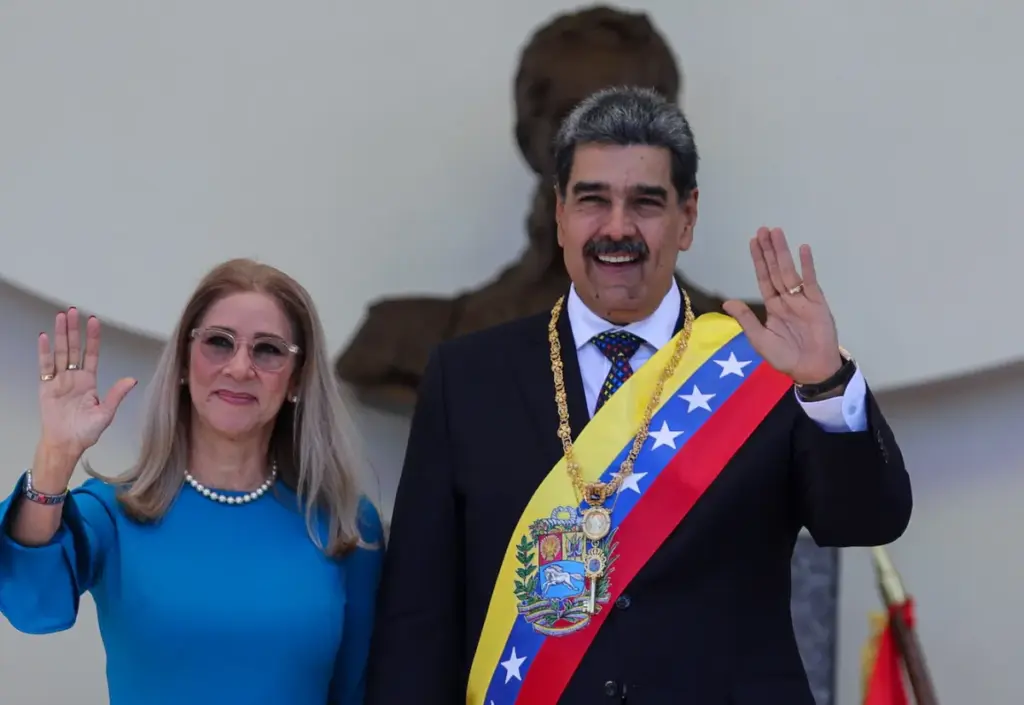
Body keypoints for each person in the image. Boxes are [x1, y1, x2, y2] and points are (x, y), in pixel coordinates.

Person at [365, 86, 912, 705]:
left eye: (646, 203)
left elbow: (866, 520)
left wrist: (825, 385)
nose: (617, 229)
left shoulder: (762, 361)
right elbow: (418, 618)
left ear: (688, 218)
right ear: (560, 214)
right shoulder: (466, 377)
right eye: (592, 200)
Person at [0, 258, 384, 705]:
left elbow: (359, 693)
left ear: (297, 379)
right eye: (219, 343)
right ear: (184, 362)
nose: (240, 368)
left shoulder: (346, 524)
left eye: (268, 350)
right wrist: (56, 454)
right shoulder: (112, 512)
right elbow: (32, 606)